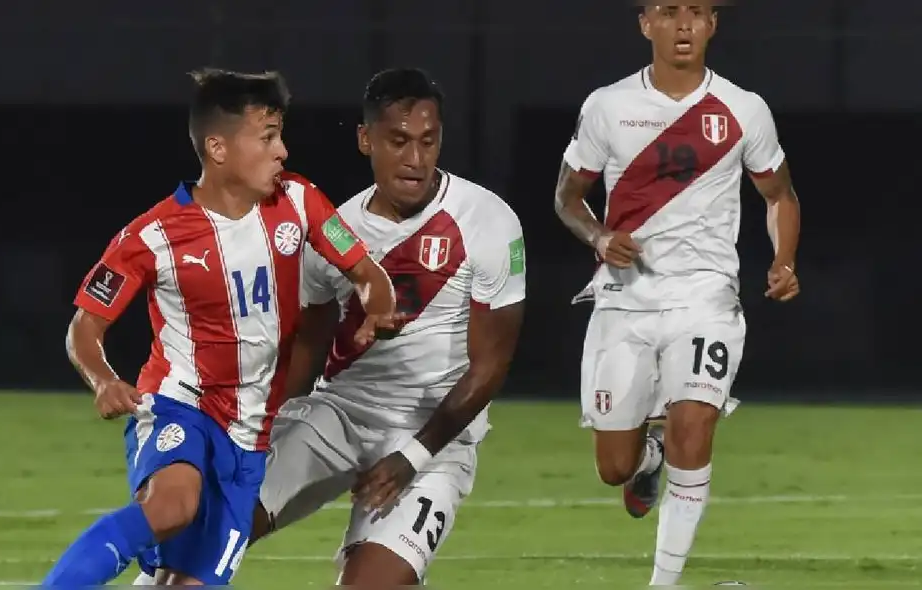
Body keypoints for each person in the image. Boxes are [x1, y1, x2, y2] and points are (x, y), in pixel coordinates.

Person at [42, 68, 396, 586]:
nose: (283, 152)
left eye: (280, 136)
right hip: (179, 403)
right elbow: (84, 327)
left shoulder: (299, 202)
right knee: (172, 506)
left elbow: (367, 273)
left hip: (250, 434)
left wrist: (378, 305)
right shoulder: (153, 235)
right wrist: (104, 380)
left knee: (188, 583)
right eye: (267, 137)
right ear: (218, 148)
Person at [247, 67, 526, 586]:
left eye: (428, 141)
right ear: (365, 139)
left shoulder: (489, 221)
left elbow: (491, 364)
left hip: (434, 435)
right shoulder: (335, 232)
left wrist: (413, 455)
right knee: (218, 524)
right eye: (398, 141)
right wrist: (259, 432)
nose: (415, 159)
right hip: (339, 414)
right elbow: (308, 343)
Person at [554, 4, 801, 585]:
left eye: (696, 11)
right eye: (669, 11)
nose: (683, 24)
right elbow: (567, 197)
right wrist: (599, 236)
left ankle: (663, 583)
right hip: (624, 301)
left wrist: (784, 259)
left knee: (692, 425)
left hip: (705, 300)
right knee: (614, 467)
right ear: (645, 23)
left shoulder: (744, 109)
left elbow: (779, 196)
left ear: (713, 23)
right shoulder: (608, 106)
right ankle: (649, 459)